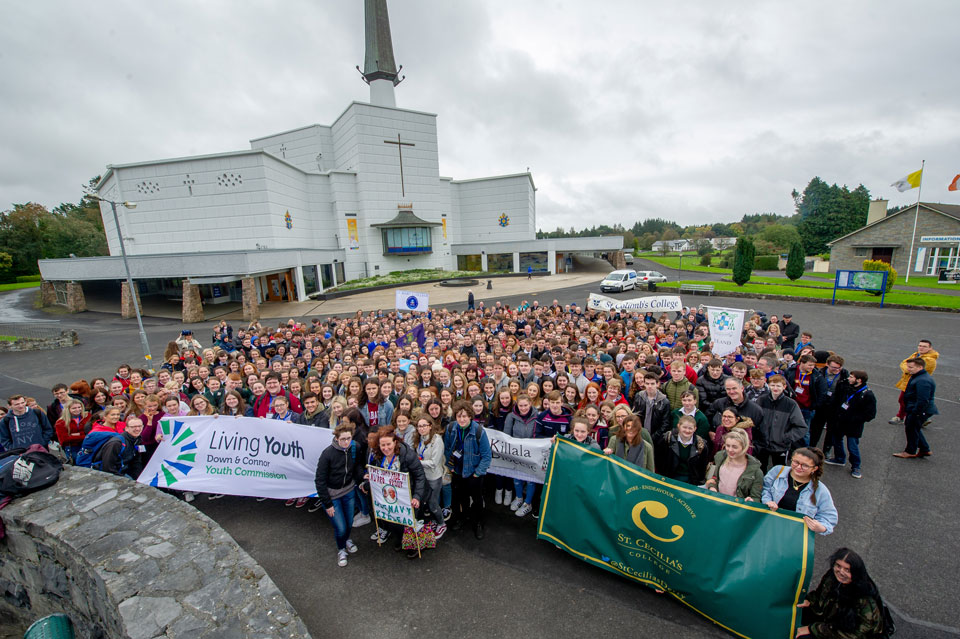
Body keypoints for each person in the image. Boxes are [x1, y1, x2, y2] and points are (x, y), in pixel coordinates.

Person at [796, 548, 887, 638]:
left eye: (847, 570)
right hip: (831, 622)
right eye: (838, 566)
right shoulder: (831, 577)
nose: (841, 572)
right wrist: (810, 601)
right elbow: (820, 596)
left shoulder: (865, 599)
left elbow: (854, 634)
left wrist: (812, 629)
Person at [367, 426, 427, 558]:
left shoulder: (408, 455)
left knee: (412, 522)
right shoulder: (378, 456)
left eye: (388, 444)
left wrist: (417, 496)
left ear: (395, 442)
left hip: (409, 495)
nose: (386, 448)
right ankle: (401, 540)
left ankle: (419, 546)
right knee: (395, 522)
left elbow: (420, 476)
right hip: (390, 496)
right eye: (383, 445)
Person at [314, 422, 364, 567]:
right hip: (332, 495)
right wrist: (327, 503)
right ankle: (341, 549)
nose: (346, 442)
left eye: (348, 438)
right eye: (343, 439)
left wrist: (362, 477)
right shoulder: (327, 454)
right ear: (336, 438)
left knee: (349, 522)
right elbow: (319, 480)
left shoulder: (355, 448)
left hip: (348, 491)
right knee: (340, 526)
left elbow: (357, 468)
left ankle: (346, 539)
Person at [443, 400, 492, 539]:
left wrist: (477, 473)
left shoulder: (478, 431)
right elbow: (447, 448)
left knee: (476, 500)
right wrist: (451, 467)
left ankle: (478, 523)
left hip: (473, 472)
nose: (462, 419)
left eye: (465, 416)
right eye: (459, 416)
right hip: (457, 471)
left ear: (470, 416)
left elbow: (486, 456)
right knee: (460, 498)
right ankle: (462, 518)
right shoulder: (451, 428)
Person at [762, 447, 837, 535]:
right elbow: (765, 488)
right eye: (796, 462)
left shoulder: (821, 491)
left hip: (794, 534)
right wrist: (767, 501)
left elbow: (829, 517)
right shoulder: (777, 471)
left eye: (805, 465)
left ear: (814, 468)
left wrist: (821, 527)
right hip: (769, 524)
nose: (798, 467)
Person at [824, 371, 876, 479]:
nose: (848, 378)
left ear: (859, 380)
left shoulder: (867, 394)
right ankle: (839, 458)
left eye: (851, 377)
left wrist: (854, 419)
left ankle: (856, 466)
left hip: (854, 425)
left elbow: (870, 414)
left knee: (852, 446)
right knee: (836, 440)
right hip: (840, 421)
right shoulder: (847, 387)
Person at [755, 375, 807, 472]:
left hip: (780, 446)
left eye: (778, 386)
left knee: (779, 471)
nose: (775, 388)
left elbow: (801, 427)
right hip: (762, 444)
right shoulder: (761, 400)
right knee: (760, 470)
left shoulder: (791, 404)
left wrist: (785, 438)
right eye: (773, 385)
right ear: (768, 385)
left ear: (784, 387)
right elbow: (755, 420)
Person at [893, 357, 937, 459]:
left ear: (920, 367)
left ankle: (910, 451)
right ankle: (925, 449)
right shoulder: (918, 376)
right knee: (914, 428)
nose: (908, 369)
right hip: (916, 409)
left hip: (918, 410)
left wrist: (915, 412)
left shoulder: (923, 381)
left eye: (911, 367)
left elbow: (922, 399)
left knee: (911, 429)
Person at [703, 429, 763, 501]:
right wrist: (712, 487)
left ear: (744, 447)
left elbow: (756, 497)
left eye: (735, 447)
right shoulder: (720, 458)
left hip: (735, 509)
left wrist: (751, 501)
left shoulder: (756, 471)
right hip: (717, 502)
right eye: (728, 446)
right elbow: (715, 479)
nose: (730, 450)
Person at [889, 338, 938, 425]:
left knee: (911, 401)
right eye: (920, 345)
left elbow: (910, 369)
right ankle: (919, 418)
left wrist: (907, 368)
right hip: (908, 382)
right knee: (903, 400)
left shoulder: (930, 360)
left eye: (924, 346)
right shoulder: (916, 354)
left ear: (930, 348)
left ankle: (906, 417)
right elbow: (904, 362)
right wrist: (908, 367)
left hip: (917, 384)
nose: (921, 348)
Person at [504, 394, 538, 517]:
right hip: (516, 453)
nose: (523, 408)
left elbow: (539, 434)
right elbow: (506, 435)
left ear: (530, 404)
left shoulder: (537, 416)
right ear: (517, 405)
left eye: (525, 405)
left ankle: (527, 503)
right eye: (520, 405)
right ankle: (518, 498)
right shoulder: (511, 417)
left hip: (531, 454)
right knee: (517, 478)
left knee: (530, 480)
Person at [413, 415, 447, 538]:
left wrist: (417, 463)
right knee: (426, 502)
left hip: (433, 477)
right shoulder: (420, 439)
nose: (421, 429)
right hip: (423, 477)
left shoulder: (437, 440)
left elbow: (434, 462)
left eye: (424, 426)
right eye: (419, 426)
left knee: (433, 503)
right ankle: (433, 521)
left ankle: (441, 523)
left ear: (430, 426)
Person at [655, 415, 709, 485]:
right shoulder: (667, 439)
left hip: (690, 481)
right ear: (678, 426)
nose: (687, 430)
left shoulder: (701, 445)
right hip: (669, 479)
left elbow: (702, 467)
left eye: (690, 428)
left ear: (695, 429)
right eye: (684, 427)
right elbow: (659, 460)